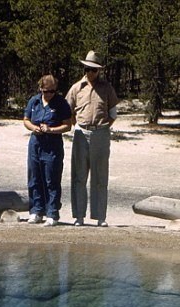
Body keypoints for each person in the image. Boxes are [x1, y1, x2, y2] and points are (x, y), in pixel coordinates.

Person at [66, 50, 119, 227]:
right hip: (81, 134)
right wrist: (78, 126)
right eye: (87, 69)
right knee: (79, 176)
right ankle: (79, 216)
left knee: (100, 177)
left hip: (101, 133)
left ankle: (100, 216)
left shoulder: (107, 88)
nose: (90, 72)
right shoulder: (76, 88)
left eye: (94, 69)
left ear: (99, 71)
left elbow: (113, 113)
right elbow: (68, 111)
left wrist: (102, 128)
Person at [23, 74, 72, 226]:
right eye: (46, 91)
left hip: (52, 144)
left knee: (51, 178)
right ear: (40, 89)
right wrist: (34, 128)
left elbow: (68, 125)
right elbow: (26, 120)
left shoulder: (61, 103)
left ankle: (52, 213)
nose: (49, 94)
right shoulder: (34, 101)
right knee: (34, 177)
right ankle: (36, 211)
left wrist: (51, 129)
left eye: (52, 91)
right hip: (35, 143)